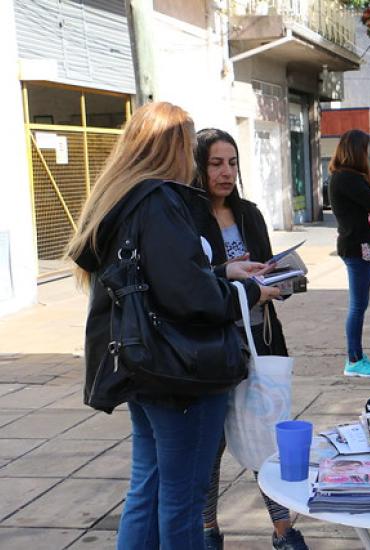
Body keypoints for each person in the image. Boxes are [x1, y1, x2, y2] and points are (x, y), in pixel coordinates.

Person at [67, 102, 276, 549]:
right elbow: (190, 299)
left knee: (148, 489)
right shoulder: (159, 200)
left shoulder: (121, 198)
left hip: (146, 367)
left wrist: (222, 273)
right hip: (180, 373)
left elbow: (159, 280)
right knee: (181, 501)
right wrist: (251, 292)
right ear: (174, 148)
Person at [192, 129, 307, 550]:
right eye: (216, 163)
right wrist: (226, 269)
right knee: (212, 444)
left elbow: (266, 271)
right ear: (199, 167)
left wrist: (283, 278)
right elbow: (188, 283)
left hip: (261, 339)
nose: (226, 172)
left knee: (265, 438)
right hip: (213, 345)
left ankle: (283, 530)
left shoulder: (251, 213)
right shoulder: (188, 217)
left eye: (232, 163)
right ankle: (207, 530)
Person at [328, 129, 370, 377]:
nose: (369, 154)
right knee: (358, 306)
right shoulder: (347, 178)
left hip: (356, 246)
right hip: (357, 248)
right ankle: (354, 359)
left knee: (359, 304)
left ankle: (357, 355)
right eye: (366, 149)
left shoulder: (346, 177)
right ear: (357, 151)